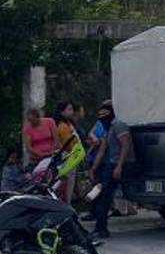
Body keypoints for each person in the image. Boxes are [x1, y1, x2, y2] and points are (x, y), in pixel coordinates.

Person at [88, 101, 132, 240]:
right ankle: (100, 228)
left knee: (104, 195)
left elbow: (126, 145)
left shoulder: (118, 125)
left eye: (105, 114)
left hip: (120, 163)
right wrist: (93, 168)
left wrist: (119, 166)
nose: (102, 117)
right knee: (102, 196)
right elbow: (102, 150)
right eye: (100, 115)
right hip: (111, 164)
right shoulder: (108, 128)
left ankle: (101, 229)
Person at [54, 102, 83, 203]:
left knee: (71, 185)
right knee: (67, 186)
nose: (72, 112)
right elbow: (68, 144)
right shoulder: (62, 126)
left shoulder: (69, 124)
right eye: (69, 109)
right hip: (68, 158)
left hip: (73, 157)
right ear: (62, 112)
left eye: (72, 109)